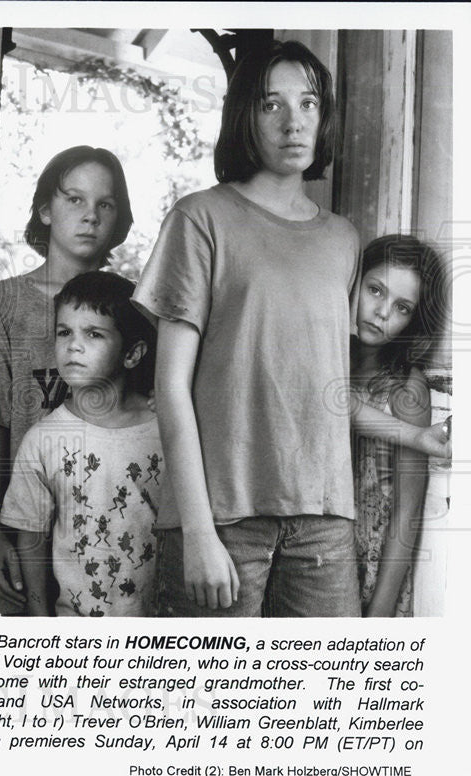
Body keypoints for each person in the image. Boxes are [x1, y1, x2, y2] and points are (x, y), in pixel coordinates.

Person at [134, 40, 448, 618]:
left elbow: (319, 387)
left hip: (326, 522)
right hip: (224, 518)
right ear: (244, 117)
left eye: (308, 103)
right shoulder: (199, 218)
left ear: (324, 117)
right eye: (271, 104)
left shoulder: (343, 239)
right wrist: (198, 532)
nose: (293, 121)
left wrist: (417, 436)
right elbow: (171, 390)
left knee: (324, 701)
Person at [0, 145, 133, 614]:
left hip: (117, 533)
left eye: (105, 205)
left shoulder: (134, 304)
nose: (90, 216)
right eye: (74, 200)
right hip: (31, 539)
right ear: (46, 209)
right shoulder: (5, 303)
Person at [0, 271, 159, 616]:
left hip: (163, 628)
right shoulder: (43, 440)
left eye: (94, 334)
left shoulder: (167, 430)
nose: (73, 345)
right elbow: (31, 538)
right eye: (64, 332)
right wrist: (40, 620)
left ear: (132, 353)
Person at [351, 235, 448, 616]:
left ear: (413, 320)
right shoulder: (327, 364)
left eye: (402, 307)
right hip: (310, 557)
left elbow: (407, 514)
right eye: (375, 290)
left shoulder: (407, 389)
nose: (382, 312)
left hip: (371, 576)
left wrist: (377, 617)